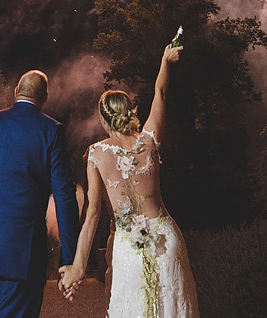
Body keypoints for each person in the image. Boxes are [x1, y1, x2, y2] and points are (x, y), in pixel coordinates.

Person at [60, 44, 199, 317]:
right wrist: (165, 61)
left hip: (128, 247)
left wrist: (77, 268)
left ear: (103, 119)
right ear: (129, 111)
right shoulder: (149, 139)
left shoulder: (96, 154)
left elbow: (93, 215)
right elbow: (160, 93)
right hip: (164, 238)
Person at [0, 70, 80, 318]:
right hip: (21, 253)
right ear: (45, 97)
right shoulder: (51, 131)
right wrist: (69, 256)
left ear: (15, 91)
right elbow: (64, 196)